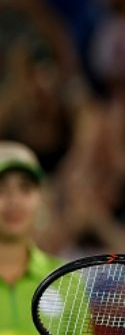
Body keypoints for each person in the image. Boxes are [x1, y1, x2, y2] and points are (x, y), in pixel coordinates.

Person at [0, 141, 62, 335]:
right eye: (1, 189)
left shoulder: (68, 280)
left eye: (25, 188)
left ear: (41, 198)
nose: (14, 201)